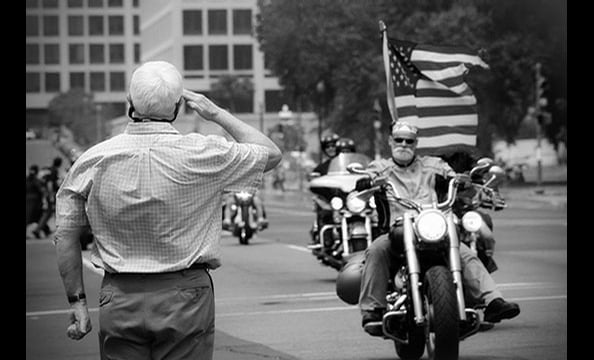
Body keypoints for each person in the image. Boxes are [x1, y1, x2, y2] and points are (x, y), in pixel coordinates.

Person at [53, 60, 282, 359]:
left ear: (129, 102)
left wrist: (78, 304)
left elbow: (65, 235)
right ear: (178, 107)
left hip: (119, 297)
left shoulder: (91, 160)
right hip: (185, 296)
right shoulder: (205, 153)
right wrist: (215, 113)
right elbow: (272, 154)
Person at [357, 121, 520, 337]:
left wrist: (463, 181)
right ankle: (372, 310)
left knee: (465, 252)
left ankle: (492, 302)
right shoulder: (380, 168)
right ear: (390, 141)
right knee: (376, 249)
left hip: (433, 226)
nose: (404, 144)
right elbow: (366, 180)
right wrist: (365, 183)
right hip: (397, 229)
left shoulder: (433, 165)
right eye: (399, 140)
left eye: (409, 141)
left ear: (416, 143)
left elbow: (455, 179)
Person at [33, 157, 63, 238]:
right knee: (54, 212)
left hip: (47, 194)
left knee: (49, 213)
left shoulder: (49, 169)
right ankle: (38, 229)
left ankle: (39, 229)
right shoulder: (54, 171)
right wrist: (51, 196)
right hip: (51, 194)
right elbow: (50, 183)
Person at [26, 164, 46, 236]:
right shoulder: (36, 180)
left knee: (36, 216)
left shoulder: (28, 179)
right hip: (35, 202)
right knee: (37, 216)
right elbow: (42, 190)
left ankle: (44, 230)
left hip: (29, 201)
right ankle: (42, 230)